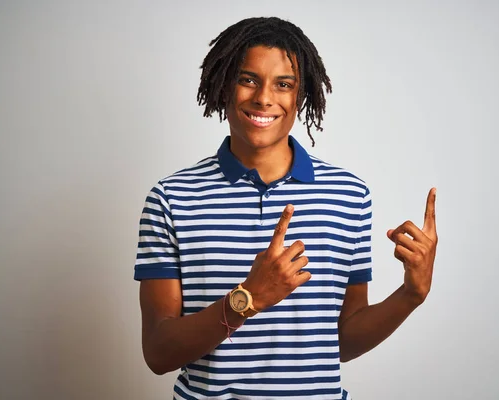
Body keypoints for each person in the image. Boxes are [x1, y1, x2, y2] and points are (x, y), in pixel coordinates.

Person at [134, 16, 438, 400]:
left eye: (284, 84)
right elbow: (158, 353)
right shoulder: (171, 197)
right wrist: (247, 298)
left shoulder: (349, 195)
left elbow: (340, 343)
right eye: (248, 79)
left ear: (301, 96)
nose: (264, 97)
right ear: (224, 85)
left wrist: (410, 294)